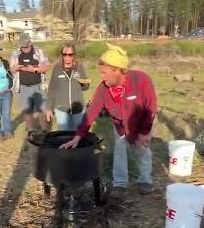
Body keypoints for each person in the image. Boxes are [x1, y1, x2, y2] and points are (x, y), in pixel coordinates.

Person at [60, 43, 157, 198]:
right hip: (120, 125)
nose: (102, 77)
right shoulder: (103, 89)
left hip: (142, 122)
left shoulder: (141, 80)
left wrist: (144, 133)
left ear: (118, 70)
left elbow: (150, 108)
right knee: (120, 148)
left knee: (143, 149)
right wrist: (78, 137)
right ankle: (120, 184)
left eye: (105, 73)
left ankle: (145, 180)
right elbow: (90, 114)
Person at [9, 33, 51, 133]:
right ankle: (31, 131)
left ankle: (44, 130)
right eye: (22, 46)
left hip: (38, 86)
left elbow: (46, 67)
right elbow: (12, 70)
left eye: (26, 46)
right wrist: (14, 69)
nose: (24, 48)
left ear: (30, 43)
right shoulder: (15, 53)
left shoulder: (39, 52)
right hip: (23, 87)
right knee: (27, 111)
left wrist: (34, 69)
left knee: (41, 109)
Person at [45, 42, 91, 131]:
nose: (67, 57)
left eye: (70, 55)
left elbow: (85, 87)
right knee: (64, 136)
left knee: (78, 135)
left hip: (78, 109)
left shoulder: (79, 67)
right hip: (61, 109)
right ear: (62, 55)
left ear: (74, 55)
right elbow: (51, 90)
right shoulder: (57, 68)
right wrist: (49, 108)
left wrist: (85, 83)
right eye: (65, 54)